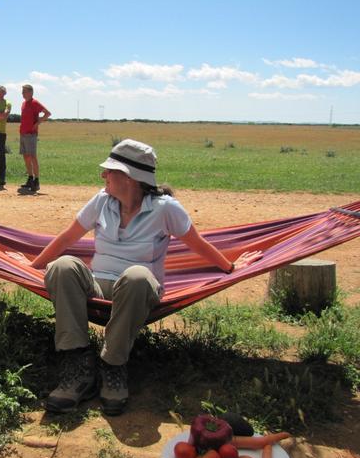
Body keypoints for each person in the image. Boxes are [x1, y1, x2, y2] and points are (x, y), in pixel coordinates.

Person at [30, 139, 261, 416]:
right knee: (63, 266)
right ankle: (78, 367)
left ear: (130, 178)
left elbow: (197, 244)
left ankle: (113, 366)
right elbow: (68, 236)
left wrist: (231, 268)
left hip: (139, 289)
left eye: (109, 171)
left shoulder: (165, 208)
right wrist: (32, 266)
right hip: (98, 285)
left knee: (137, 275)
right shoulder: (102, 201)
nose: (103, 175)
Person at [19, 84, 51, 192]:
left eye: (24, 91)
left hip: (31, 134)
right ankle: (30, 179)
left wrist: (37, 123)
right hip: (23, 134)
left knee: (33, 157)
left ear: (30, 92)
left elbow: (47, 113)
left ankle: (36, 181)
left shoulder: (35, 103)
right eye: (22, 91)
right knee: (26, 157)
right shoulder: (23, 104)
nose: (22, 93)